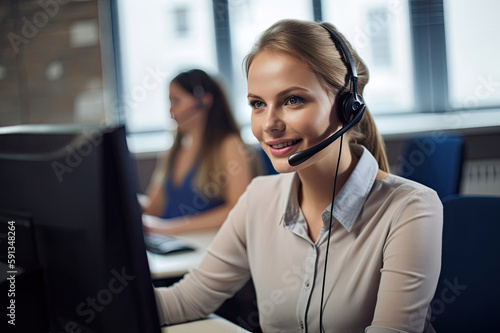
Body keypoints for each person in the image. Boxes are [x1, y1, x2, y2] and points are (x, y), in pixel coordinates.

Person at [154, 20, 442, 333]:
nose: (269, 124)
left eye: (293, 100)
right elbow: (187, 300)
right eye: (258, 104)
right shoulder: (259, 199)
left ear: (349, 106)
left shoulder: (410, 209)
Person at [142, 69, 254, 235]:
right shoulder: (175, 150)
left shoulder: (229, 145)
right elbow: (154, 207)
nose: (171, 112)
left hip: (201, 245)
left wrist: (168, 228)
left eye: (176, 101)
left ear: (203, 100)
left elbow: (238, 210)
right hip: (171, 243)